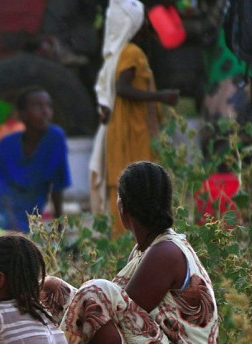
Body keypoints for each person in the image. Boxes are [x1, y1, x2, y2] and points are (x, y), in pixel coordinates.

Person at [41, 161, 220, 344]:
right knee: (55, 290)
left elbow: (114, 318)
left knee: (92, 298)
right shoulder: (146, 249)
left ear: (123, 208)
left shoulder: (165, 253)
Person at [90, 0, 180, 237]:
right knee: (139, 187)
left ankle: (121, 244)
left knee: (124, 190)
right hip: (133, 133)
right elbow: (122, 88)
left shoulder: (117, 54)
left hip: (122, 133)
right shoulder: (132, 53)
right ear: (136, 26)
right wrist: (161, 96)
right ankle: (131, 244)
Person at [0, 88, 72, 233]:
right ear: (22, 114)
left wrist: (60, 230)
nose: (45, 112)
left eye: (48, 106)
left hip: (22, 219)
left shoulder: (55, 138)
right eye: (37, 106)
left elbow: (57, 185)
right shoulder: (6, 144)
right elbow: (0, 189)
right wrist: (12, 224)